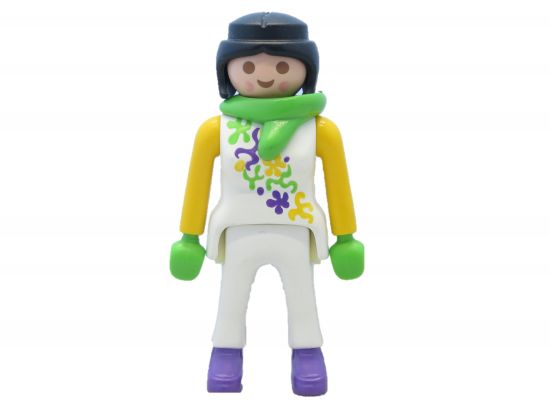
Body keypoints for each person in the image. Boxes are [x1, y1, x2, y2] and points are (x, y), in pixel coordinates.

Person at [170, 11, 364, 396]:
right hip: (237, 228)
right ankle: (226, 353)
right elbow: (197, 183)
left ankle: (308, 353)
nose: (264, 76)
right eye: (248, 66)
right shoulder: (216, 130)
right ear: (227, 70)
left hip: (297, 228)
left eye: (282, 66)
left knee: (303, 296)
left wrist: (346, 237)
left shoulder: (320, 130)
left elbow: (339, 183)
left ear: (306, 69)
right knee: (231, 296)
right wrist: (188, 237)